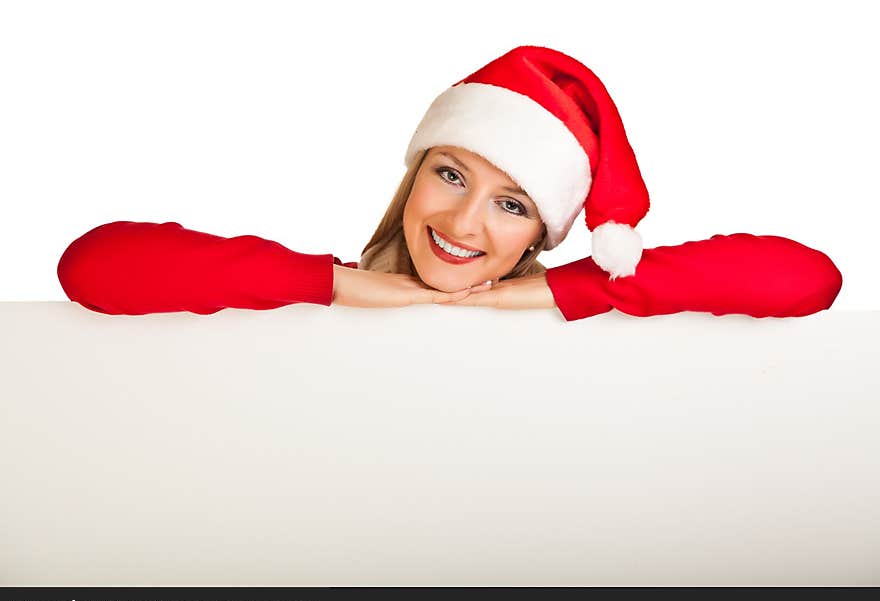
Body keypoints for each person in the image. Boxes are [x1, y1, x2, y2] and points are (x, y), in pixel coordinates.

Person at [56, 45, 843, 321]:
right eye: (450, 173)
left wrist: (566, 292)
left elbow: (808, 278)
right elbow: (90, 266)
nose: (465, 222)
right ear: (414, 176)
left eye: (511, 204)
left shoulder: (563, 307)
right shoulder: (323, 290)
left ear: (542, 232)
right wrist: (326, 284)